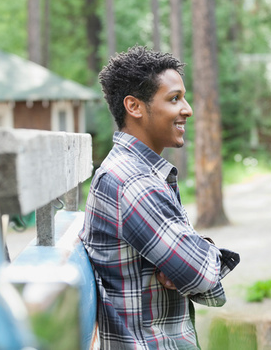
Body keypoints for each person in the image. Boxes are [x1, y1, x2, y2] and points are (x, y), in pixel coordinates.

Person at [80, 46, 239, 349]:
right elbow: (202, 276)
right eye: (174, 98)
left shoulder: (135, 173)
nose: (187, 109)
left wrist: (193, 253)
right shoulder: (134, 182)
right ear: (135, 107)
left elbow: (198, 274)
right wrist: (197, 255)